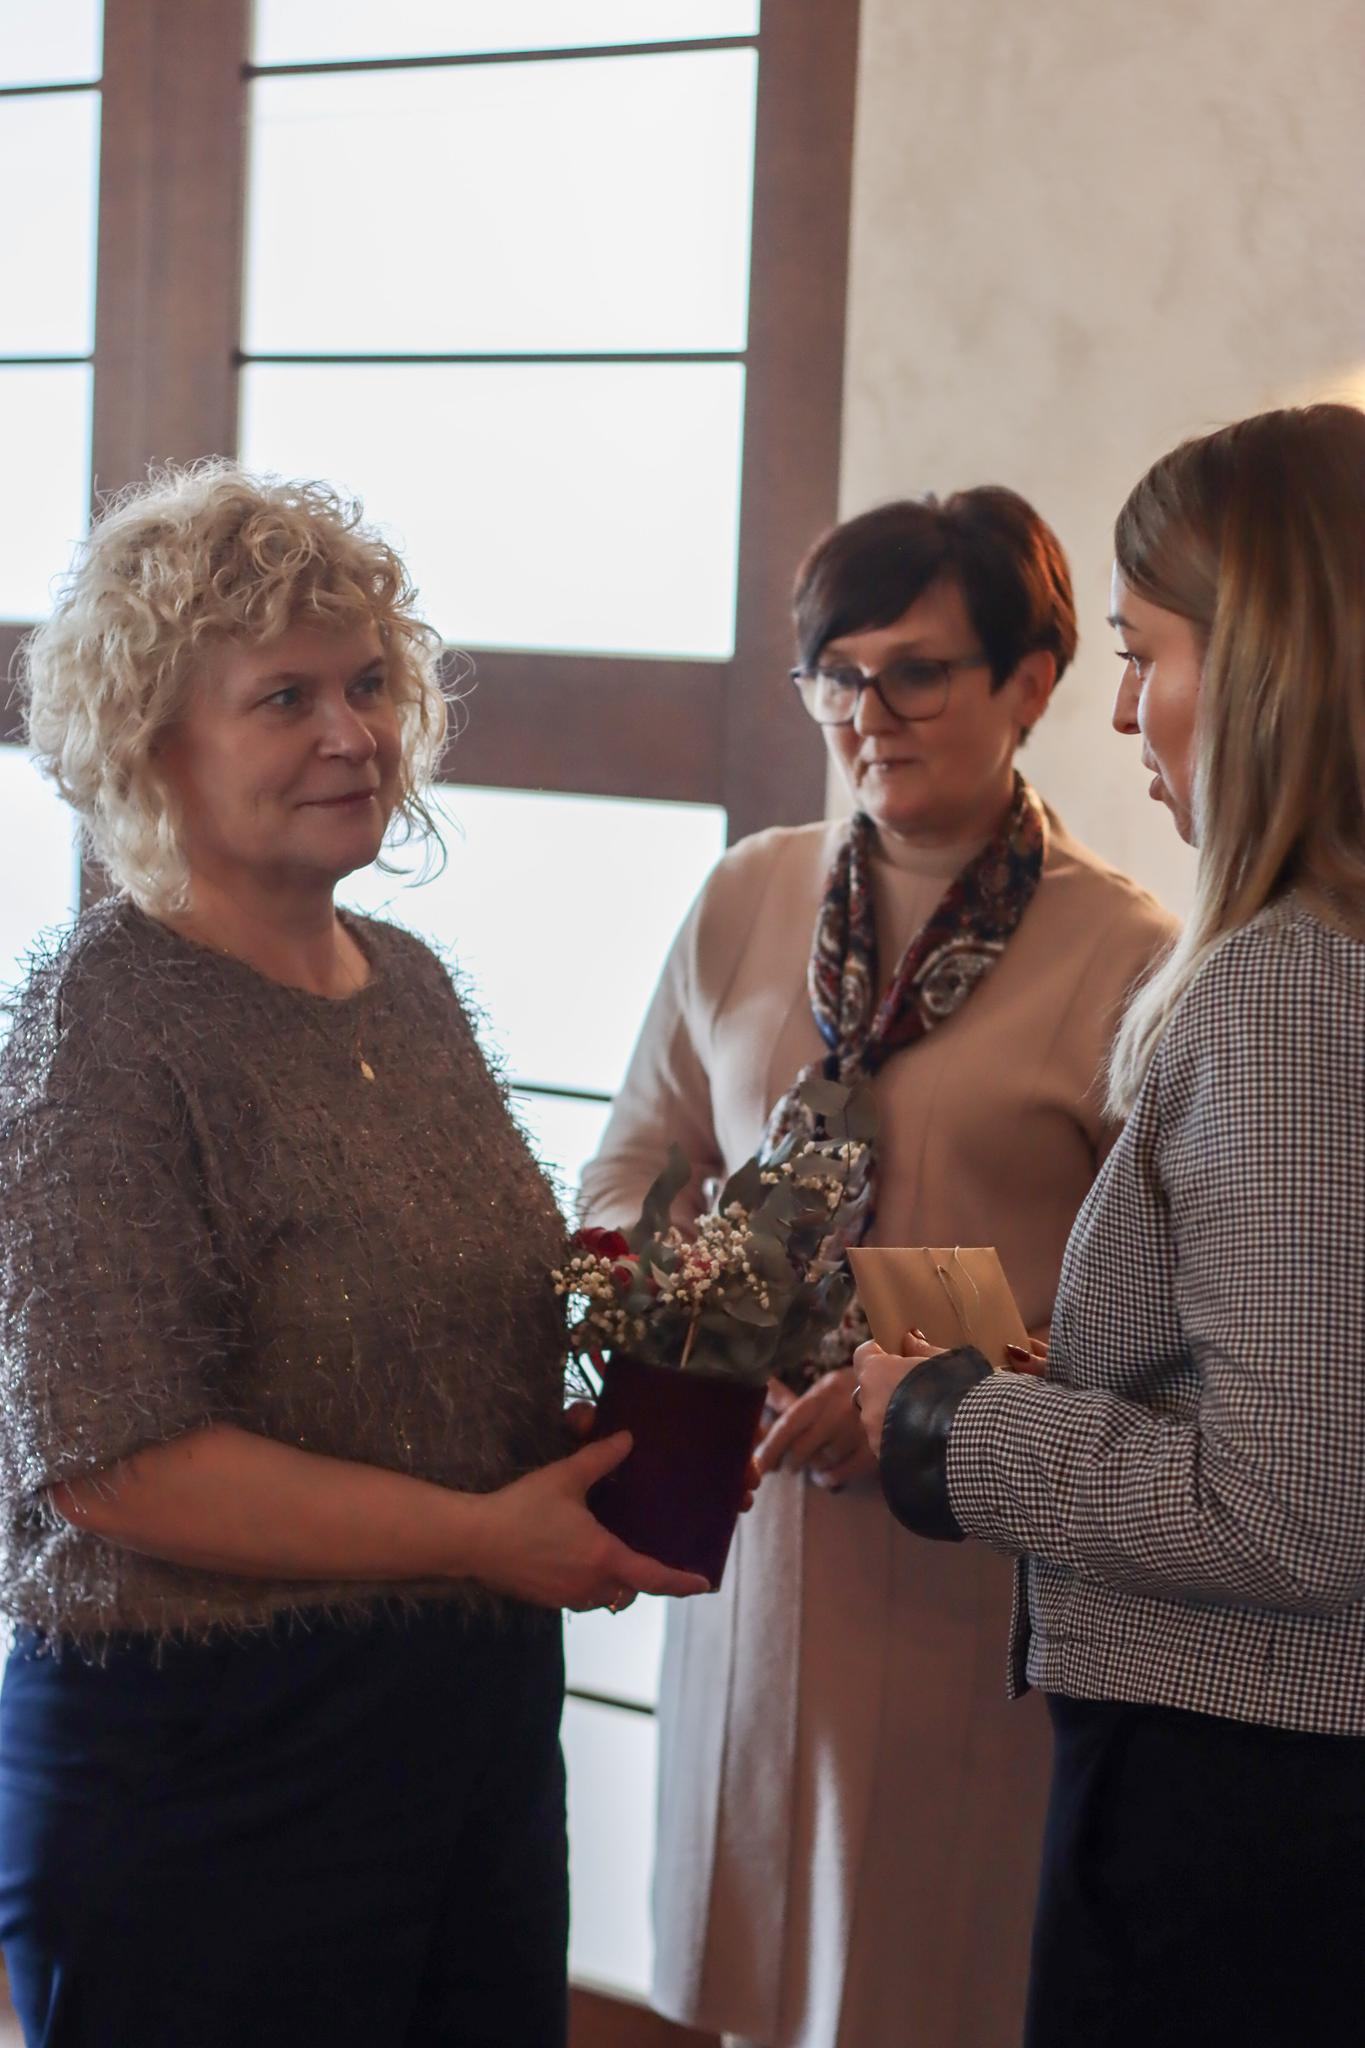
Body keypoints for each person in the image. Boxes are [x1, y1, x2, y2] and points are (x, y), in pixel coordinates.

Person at [0, 464, 706, 2048]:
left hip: (468, 1731)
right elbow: (113, 1462)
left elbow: (446, 1337)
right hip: (207, 1768)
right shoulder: (102, 1020)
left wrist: (632, 1428)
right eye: (285, 698)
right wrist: (481, 1534)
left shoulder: (413, 987)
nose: (352, 733)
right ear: (151, 742)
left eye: (370, 683)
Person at [579, 488, 1175, 2048]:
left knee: (929, 1977)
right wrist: (709, 1310)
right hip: (752, 1519)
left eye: (914, 673)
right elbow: (629, 1172)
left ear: (1030, 680)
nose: (866, 716)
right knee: (744, 1967)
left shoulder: (1126, 954)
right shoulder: (750, 893)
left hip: (969, 1548)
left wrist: (919, 1375)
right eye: (834, 676)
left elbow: (1157, 1324)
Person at [858, 403, 1365, 2048]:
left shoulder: (1280, 985)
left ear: (1275, 663)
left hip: (1249, 1784)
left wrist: (942, 1419)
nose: (1127, 709)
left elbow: (1286, 1514)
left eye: (1145, 654)